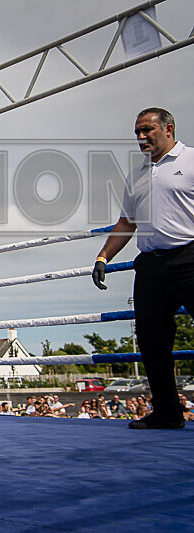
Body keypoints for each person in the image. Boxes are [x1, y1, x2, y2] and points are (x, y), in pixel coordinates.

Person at [92, 107, 192, 429]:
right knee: (151, 340)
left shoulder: (191, 161)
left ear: (168, 129)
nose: (141, 137)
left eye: (147, 129)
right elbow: (126, 222)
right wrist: (103, 256)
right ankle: (167, 411)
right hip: (150, 265)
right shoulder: (136, 174)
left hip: (190, 258)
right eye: (137, 132)